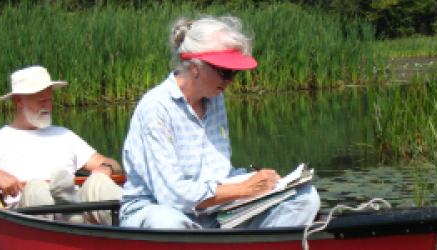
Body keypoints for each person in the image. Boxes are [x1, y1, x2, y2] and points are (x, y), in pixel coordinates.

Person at [119, 15, 320, 229]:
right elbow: (172, 196)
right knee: (169, 223)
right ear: (195, 67)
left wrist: (268, 184)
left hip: (214, 210)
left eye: (234, 72)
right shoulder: (156, 107)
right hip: (155, 208)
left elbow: (221, 174)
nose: (231, 80)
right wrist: (245, 189)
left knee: (306, 198)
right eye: (225, 72)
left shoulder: (215, 99)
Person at [0, 65, 122, 225]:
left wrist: (106, 168)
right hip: (25, 217)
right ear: (18, 100)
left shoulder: (64, 135)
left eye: (49, 100)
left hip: (80, 207)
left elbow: (114, 165)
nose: (47, 106)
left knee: (98, 183)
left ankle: (138, 230)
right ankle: (67, 210)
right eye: (41, 101)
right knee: (37, 188)